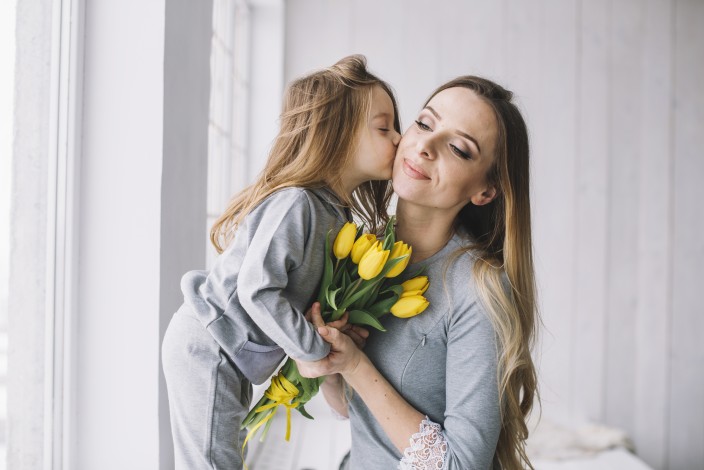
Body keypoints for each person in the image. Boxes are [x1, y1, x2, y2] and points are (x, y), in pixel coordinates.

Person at [161, 55, 401, 469]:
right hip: (209, 344)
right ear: (337, 136)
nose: (399, 138)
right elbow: (257, 288)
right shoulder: (298, 204)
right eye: (384, 128)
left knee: (225, 456)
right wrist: (312, 349)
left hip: (230, 353)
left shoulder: (334, 214)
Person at [296, 76, 539, 469]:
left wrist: (356, 363)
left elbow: (461, 465)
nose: (425, 146)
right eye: (425, 124)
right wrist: (326, 362)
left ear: (485, 191)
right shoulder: (363, 252)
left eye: (458, 149)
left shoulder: (479, 291)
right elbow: (351, 409)